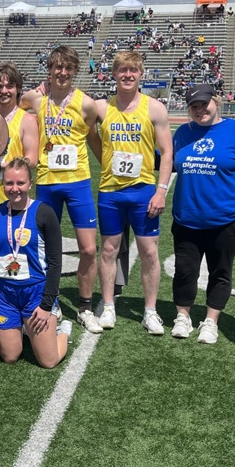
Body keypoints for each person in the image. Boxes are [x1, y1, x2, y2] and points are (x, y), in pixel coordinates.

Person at [90, 50, 173, 334]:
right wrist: (104, 159)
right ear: (113, 74)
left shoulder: (154, 108)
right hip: (111, 192)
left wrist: (161, 190)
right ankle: (109, 306)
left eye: (133, 70)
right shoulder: (102, 107)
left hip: (143, 192)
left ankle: (150, 311)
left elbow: (167, 151)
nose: (128, 75)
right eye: (122, 70)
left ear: (140, 74)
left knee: (149, 252)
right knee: (109, 250)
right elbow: (85, 128)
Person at [20, 45, 102, 334]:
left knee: (89, 249)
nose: (62, 72)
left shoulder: (86, 104)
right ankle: (47, 301)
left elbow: (92, 135)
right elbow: (17, 108)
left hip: (77, 181)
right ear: (49, 70)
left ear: (75, 71)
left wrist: (106, 163)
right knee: (42, 248)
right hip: (46, 182)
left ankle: (84, 306)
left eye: (68, 68)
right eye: (57, 67)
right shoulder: (37, 99)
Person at [170, 84, 235, 343]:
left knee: (220, 271)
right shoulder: (183, 132)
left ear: (216, 102)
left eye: (204, 104)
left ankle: (211, 321)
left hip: (226, 218)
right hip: (187, 217)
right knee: (184, 270)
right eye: (193, 105)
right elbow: (164, 163)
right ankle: (183, 316)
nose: (199, 109)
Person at [0, 157, 69, 368]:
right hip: (4, 294)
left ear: (30, 184)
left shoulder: (44, 213)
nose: (15, 189)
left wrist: (46, 304)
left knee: (49, 361)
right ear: (2, 184)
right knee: (10, 356)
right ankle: (23, 326)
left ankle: (63, 331)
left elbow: (55, 263)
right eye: (9, 183)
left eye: (20, 183)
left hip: (35, 294)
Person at [0, 62, 38, 204]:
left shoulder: (27, 120)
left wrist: (0, 166)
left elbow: (31, 160)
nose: (4, 91)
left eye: (9, 86)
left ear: (18, 88)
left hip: (13, 193)